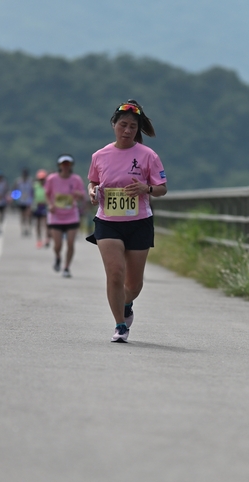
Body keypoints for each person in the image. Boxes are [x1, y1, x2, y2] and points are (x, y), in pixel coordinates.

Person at [87, 100, 167, 342]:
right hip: (108, 221)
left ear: (138, 129)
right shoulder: (100, 155)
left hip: (139, 221)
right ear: (113, 125)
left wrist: (146, 188)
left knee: (133, 285)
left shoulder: (148, 155)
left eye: (133, 126)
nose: (127, 130)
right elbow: (93, 181)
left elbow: (162, 188)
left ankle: (127, 303)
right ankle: (120, 325)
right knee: (115, 273)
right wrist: (91, 191)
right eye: (123, 125)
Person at [45, 155, 86, 277]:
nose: (66, 167)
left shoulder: (76, 179)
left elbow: (83, 195)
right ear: (59, 166)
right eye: (63, 164)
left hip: (71, 216)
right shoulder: (52, 179)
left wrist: (78, 194)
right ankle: (58, 256)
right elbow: (47, 194)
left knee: (70, 243)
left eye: (68, 164)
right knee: (58, 245)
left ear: (71, 166)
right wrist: (50, 205)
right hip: (56, 216)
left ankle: (66, 267)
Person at [13, 168, 34, 236]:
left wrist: (33, 199)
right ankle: (23, 229)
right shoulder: (18, 181)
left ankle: (29, 228)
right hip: (21, 201)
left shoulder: (30, 181)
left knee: (29, 215)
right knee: (22, 216)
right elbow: (15, 190)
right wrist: (15, 199)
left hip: (29, 201)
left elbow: (33, 190)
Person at [32, 169, 50, 248]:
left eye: (43, 179)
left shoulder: (48, 185)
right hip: (37, 205)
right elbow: (32, 195)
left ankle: (47, 238)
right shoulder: (35, 186)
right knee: (38, 224)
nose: (41, 180)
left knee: (46, 223)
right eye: (40, 179)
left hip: (45, 205)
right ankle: (39, 240)